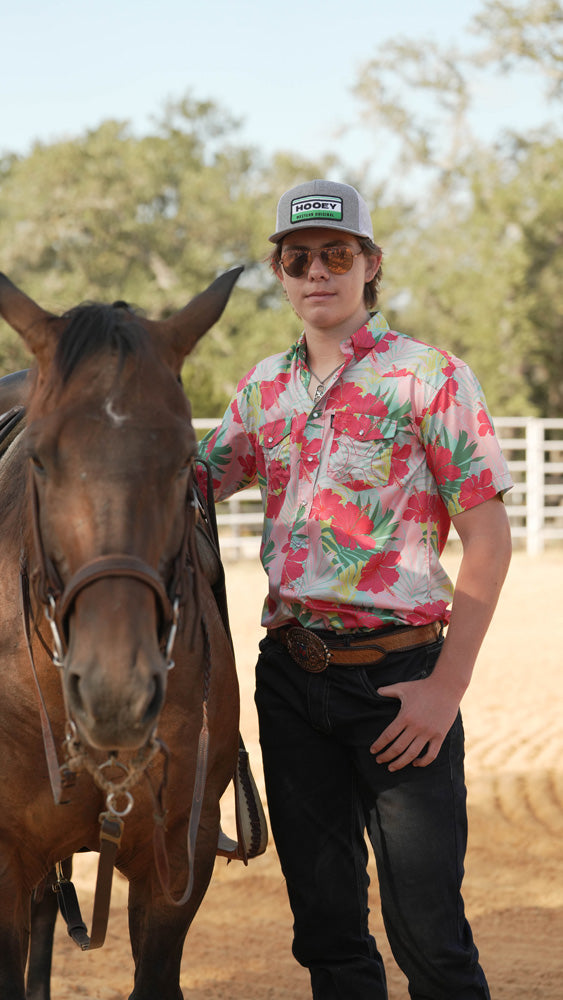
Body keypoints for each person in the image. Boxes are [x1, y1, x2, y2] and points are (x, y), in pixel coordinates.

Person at [198, 179, 513, 1000]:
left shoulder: (429, 378)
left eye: (337, 255)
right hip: (291, 680)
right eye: (298, 258)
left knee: (429, 936)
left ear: (369, 265)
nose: (317, 272)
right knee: (327, 932)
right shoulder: (262, 389)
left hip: (400, 683)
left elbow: (487, 536)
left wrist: (445, 689)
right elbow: (187, 485)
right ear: (280, 274)